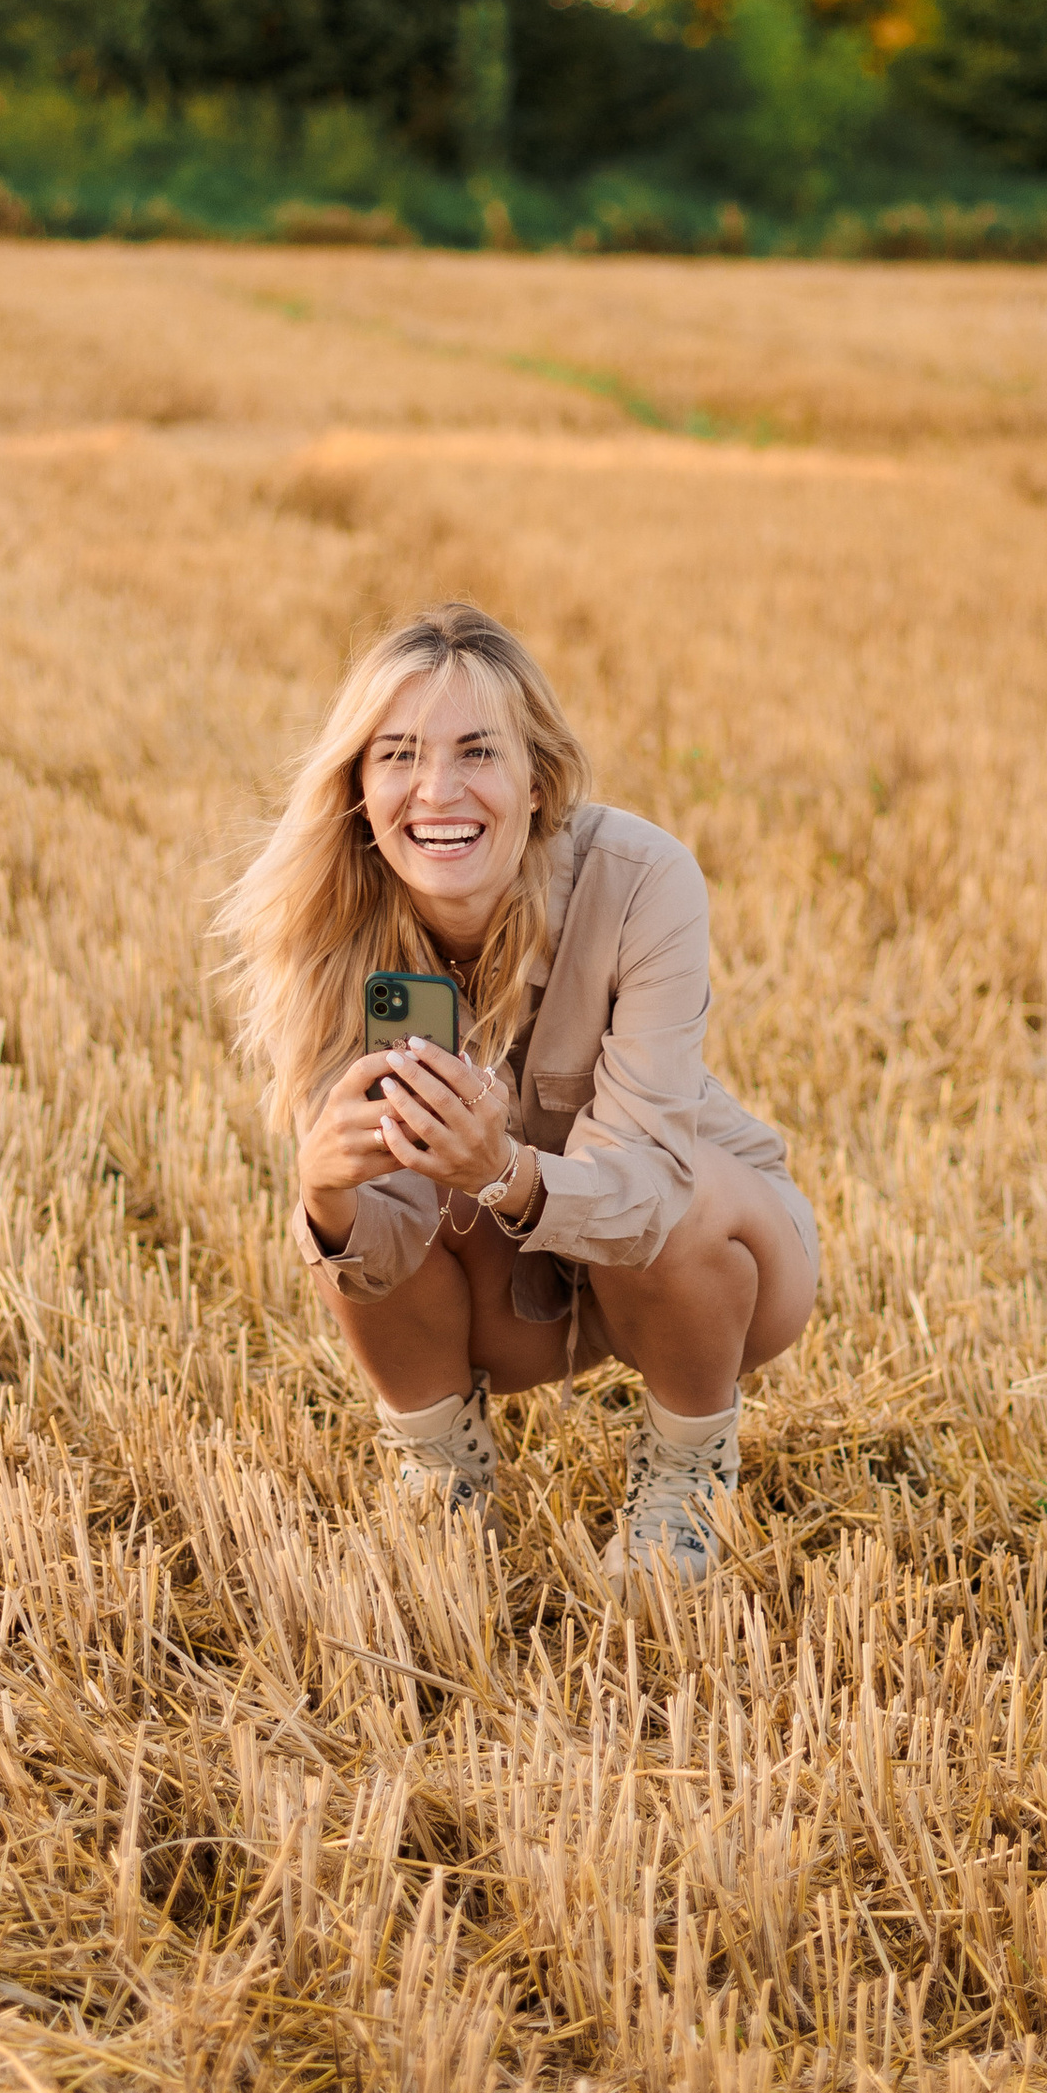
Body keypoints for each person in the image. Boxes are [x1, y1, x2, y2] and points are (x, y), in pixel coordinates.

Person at [221, 600, 818, 1583]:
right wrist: (324, 1199)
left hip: (713, 1277)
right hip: (515, 1307)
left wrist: (503, 1171)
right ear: (360, 789)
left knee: (682, 1195)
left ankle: (686, 1473)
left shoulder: (642, 880)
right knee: (362, 1204)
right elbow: (381, 1251)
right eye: (399, 755)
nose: (436, 791)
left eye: (477, 752)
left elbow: (648, 1180)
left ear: (538, 782)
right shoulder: (333, 930)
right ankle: (442, 1474)